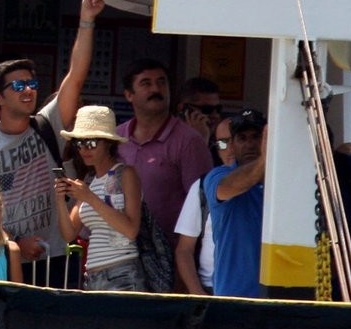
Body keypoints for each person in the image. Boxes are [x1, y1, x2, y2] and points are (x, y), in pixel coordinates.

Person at [0, 0, 103, 287]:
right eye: (18, 86)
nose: (29, 90)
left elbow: (75, 76)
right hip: (1, 263)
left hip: (57, 260)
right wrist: (16, 243)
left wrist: (87, 20)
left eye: (32, 83)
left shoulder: (48, 125)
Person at [113, 59, 216, 239]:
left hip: (168, 257)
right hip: (117, 254)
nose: (155, 89)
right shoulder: (115, 138)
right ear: (129, 95)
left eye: (161, 82)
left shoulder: (189, 141)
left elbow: (202, 206)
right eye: (146, 83)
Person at [55, 104, 146, 292]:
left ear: (109, 143)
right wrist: (59, 199)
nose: (84, 149)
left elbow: (130, 230)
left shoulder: (125, 174)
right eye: (79, 143)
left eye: (92, 143)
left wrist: (90, 198)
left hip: (122, 272)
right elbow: (69, 234)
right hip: (92, 277)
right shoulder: (89, 181)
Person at [204, 110, 269, 299]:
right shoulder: (217, 176)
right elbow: (227, 188)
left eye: (256, 137)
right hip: (233, 297)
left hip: (280, 295)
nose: (250, 144)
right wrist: (265, 159)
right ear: (232, 145)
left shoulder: (284, 180)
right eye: (242, 138)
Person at [174, 117, 235, 294]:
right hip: (209, 288)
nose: (230, 149)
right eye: (223, 143)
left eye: (235, 140)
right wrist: (199, 296)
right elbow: (184, 250)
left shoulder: (269, 186)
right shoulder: (202, 185)